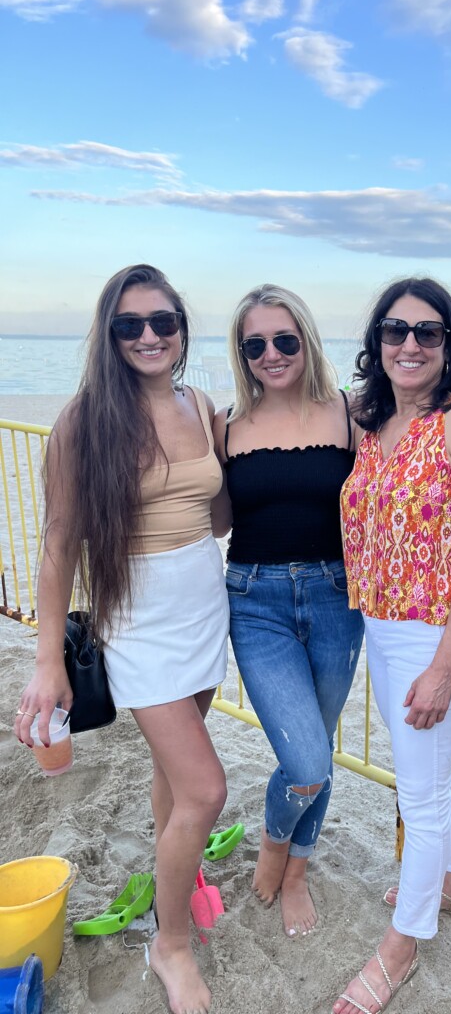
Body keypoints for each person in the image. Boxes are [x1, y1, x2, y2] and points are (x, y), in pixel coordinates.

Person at [14, 265, 230, 1014]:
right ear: (108, 336)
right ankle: (170, 946)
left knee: (180, 775)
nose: (149, 337)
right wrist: (48, 663)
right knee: (207, 788)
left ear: (180, 329)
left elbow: (221, 513)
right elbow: (57, 547)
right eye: (129, 325)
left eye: (162, 322)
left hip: (205, 610)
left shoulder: (200, 404)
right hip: (139, 626)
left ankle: (179, 871)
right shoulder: (83, 423)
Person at [335, 277, 451, 1014]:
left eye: (427, 333)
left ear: (449, 345)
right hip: (379, 619)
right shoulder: (371, 420)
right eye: (395, 331)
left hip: (433, 631)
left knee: (422, 792)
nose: (409, 344)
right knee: (429, 778)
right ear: (377, 342)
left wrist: (443, 667)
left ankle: (404, 943)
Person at [212, 284, 364, 939]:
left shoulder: (350, 415)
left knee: (319, 754)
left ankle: (295, 866)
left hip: (338, 597)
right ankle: (277, 842)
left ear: (307, 339)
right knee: (305, 761)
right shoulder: (226, 427)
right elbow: (211, 519)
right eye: (255, 345)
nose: (271, 354)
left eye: (284, 340)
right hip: (255, 601)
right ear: (241, 355)